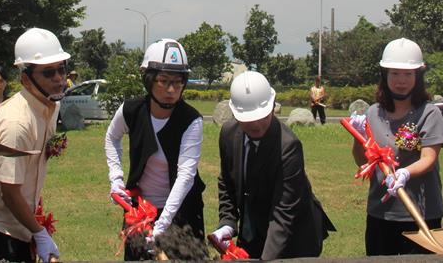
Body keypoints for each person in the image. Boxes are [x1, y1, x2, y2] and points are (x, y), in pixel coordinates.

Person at [0, 28, 69, 262]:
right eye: (49, 72)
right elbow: (9, 192)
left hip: (15, 219)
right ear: (26, 79)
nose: (59, 78)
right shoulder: (17, 123)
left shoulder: (51, 107)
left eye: (61, 69)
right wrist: (40, 233)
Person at [210, 71, 334, 259]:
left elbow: (283, 214)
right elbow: (227, 181)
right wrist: (227, 222)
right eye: (249, 119)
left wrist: (265, 260)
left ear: (272, 106)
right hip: (252, 231)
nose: (257, 125)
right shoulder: (228, 134)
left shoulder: (288, 146)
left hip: (294, 238)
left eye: (262, 116)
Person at [104, 39, 205, 260]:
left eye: (178, 82)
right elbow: (112, 138)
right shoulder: (131, 110)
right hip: (139, 210)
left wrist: (161, 225)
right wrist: (116, 179)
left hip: (182, 212)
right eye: (164, 81)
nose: (171, 89)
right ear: (148, 80)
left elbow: (186, 175)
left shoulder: (191, 120)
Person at [352, 37, 443, 256]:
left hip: (420, 215)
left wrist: (404, 172)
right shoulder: (373, 113)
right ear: (385, 76)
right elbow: (363, 161)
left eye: (407, 74)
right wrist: (358, 137)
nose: (401, 80)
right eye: (394, 74)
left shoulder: (429, 113)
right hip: (381, 214)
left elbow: (428, 159)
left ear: (418, 76)